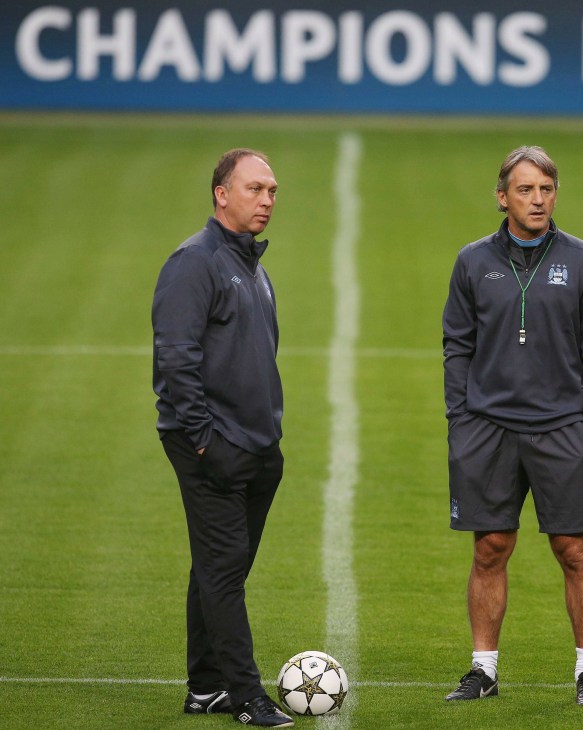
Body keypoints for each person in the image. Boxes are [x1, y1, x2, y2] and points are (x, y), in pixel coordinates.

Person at [442, 145, 583, 706]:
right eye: (526, 189)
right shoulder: (472, 261)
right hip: (487, 428)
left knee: (574, 550)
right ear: (502, 197)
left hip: (562, 428)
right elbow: (456, 345)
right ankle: (483, 670)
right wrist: (460, 419)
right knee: (490, 547)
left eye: (546, 189)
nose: (538, 199)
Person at [152, 149, 293, 728]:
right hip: (213, 447)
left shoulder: (252, 266)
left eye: (272, 191)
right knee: (223, 570)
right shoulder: (195, 262)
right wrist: (206, 441)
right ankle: (246, 695)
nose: (266, 200)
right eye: (255, 188)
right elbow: (176, 360)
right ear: (221, 193)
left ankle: (205, 686)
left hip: (256, 448)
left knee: (218, 569)